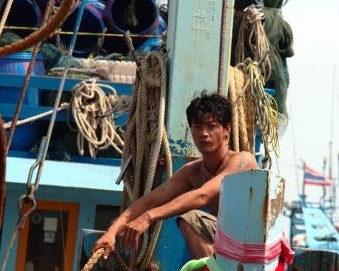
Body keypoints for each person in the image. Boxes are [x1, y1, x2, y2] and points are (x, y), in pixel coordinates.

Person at [92, 92, 258, 259]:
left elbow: (202, 196)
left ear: (227, 129)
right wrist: (111, 233)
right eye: (197, 126)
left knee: (190, 219)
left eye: (211, 126)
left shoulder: (242, 161)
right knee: (190, 220)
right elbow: (151, 200)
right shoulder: (193, 171)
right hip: (229, 243)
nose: (204, 133)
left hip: (255, 243)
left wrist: (148, 217)